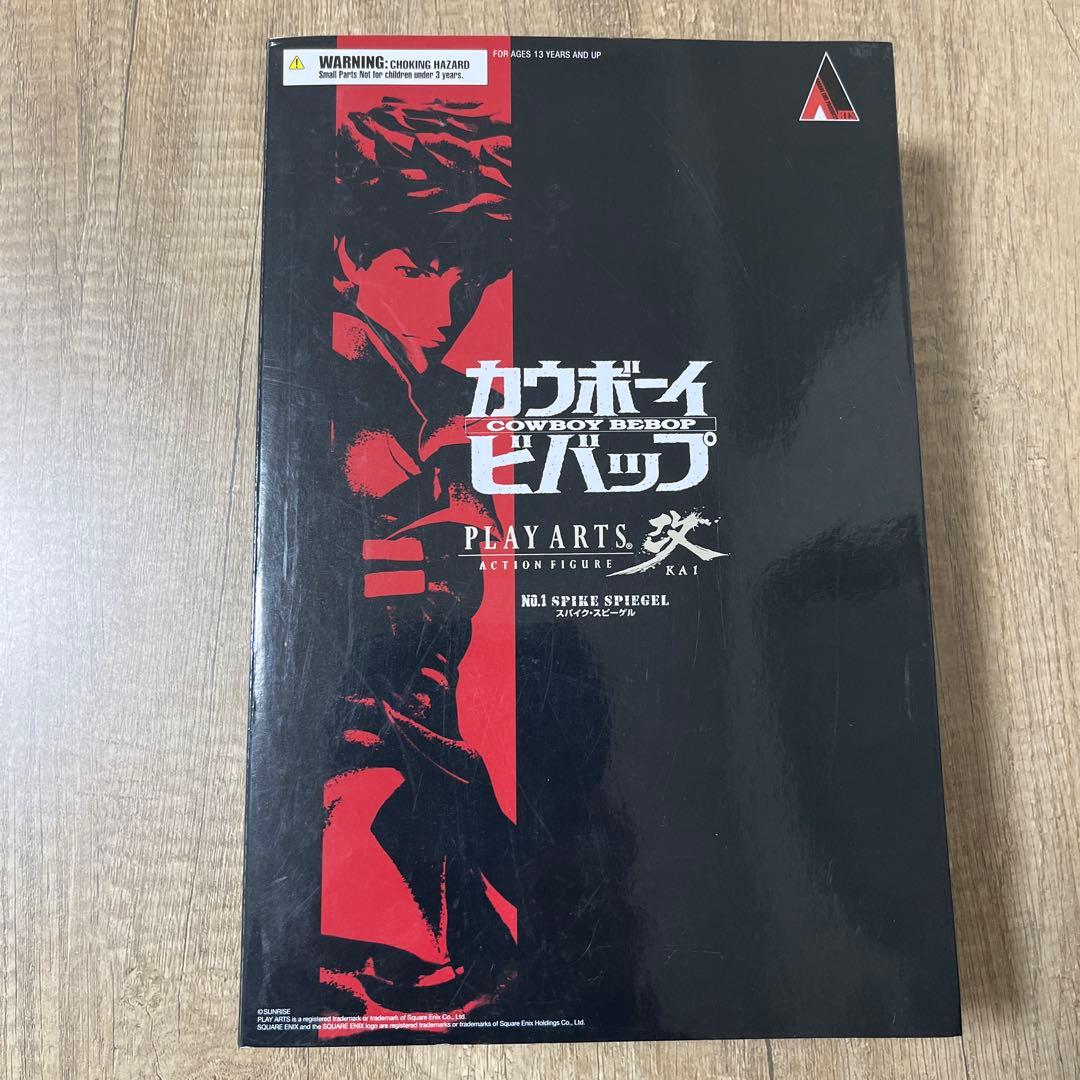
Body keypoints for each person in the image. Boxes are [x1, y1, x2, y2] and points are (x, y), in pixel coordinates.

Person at [316, 99, 517, 1027]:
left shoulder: (428, 378)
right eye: (417, 268)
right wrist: (445, 486)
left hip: (418, 668)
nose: (446, 303)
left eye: (465, 274)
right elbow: (371, 481)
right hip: (364, 674)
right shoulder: (345, 359)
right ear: (348, 258)